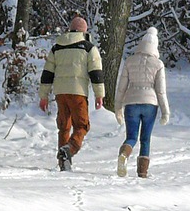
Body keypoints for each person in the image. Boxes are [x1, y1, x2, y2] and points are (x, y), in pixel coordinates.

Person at [39, 16, 105, 171]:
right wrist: (99, 94)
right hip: (78, 92)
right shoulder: (89, 48)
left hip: (60, 93)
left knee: (64, 126)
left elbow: (47, 74)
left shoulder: (57, 48)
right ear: (84, 31)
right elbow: (96, 73)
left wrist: (44, 96)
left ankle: (63, 163)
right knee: (82, 126)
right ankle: (70, 148)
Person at [114, 26, 170, 178]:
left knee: (131, 137)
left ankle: (124, 155)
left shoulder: (130, 61)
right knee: (145, 139)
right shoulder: (158, 64)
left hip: (131, 103)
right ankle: (142, 172)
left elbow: (121, 87)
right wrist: (165, 112)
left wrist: (117, 107)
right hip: (150, 105)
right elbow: (161, 91)